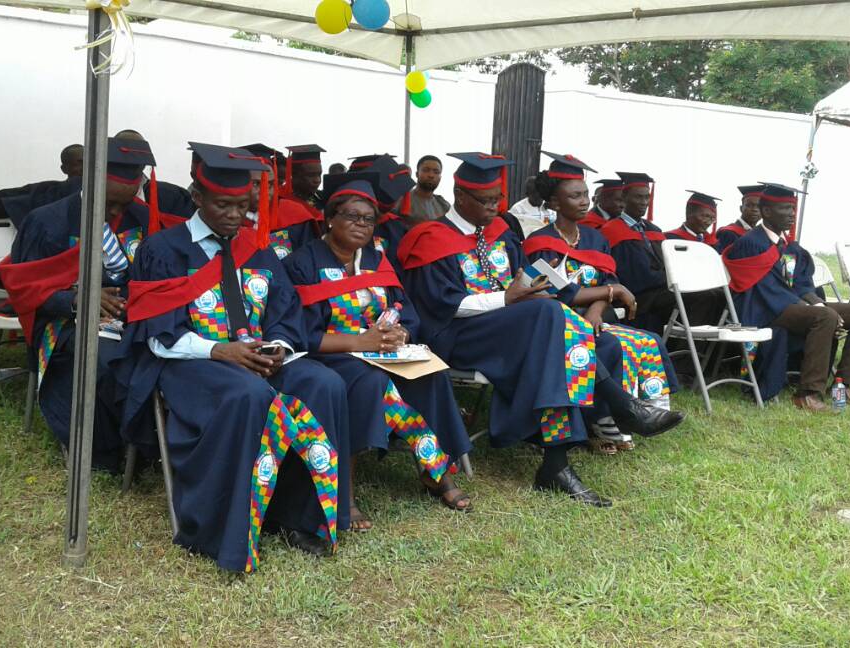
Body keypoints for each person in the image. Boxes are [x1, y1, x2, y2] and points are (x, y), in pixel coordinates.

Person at [398, 152, 684, 506]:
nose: (493, 208)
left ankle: (556, 464)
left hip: (517, 330)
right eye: (485, 201)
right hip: (459, 334)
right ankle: (621, 404)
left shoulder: (501, 232)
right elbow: (440, 306)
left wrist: (577, 292)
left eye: (496, 200)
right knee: (550, 318)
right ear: (460, 197)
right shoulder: (431, 238)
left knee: (575, 339)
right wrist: (506, 298)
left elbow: (533, 279)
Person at [118, 143, 350, 570]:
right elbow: (157, 333)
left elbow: (284, 314)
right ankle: (225, 529)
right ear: (198, 198)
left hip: (256, 359)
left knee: (323, 382)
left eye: (242, 207)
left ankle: (302, 517)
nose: (233, 216)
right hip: (190, 364)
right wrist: (220, 350)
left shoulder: (258, 251)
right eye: (223, 205)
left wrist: (276, 347)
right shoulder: (163, 251)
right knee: (247, 394)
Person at [285, 172, 473, 530]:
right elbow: (301, 334)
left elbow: (406, 309)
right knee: (368, 381)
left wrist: (401, 332)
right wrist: (360, 342)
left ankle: (437, 473)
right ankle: (347, 491)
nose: (361, 225)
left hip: (382, 351)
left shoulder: (377, 260)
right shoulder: (302, 263)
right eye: (352, 216)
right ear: (330, 217)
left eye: (368, 219)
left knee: (430, 372)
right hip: (332, 355)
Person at [0, 137, 158, 472]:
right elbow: (23, 289)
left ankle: (152, 445)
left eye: (124, 204)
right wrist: (78, 299)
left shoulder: (143, 219)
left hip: (131, 319)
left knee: (155, 353)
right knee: (108, 359)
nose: (116, 212)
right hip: (64, 323)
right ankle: (108, 449)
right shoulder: (48, 221)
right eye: (110, 203)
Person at [523, 152, 680, 455]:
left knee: (647, 341)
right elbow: (559, 293)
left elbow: (608, 283)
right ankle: (603, 423)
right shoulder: (539, 243)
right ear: (555, 203)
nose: (584, 201)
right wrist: (611, 292)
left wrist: (598, 306)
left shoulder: (595, 239)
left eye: (584, 194)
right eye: (575, 196)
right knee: (610, 345)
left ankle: (638, 415)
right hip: (560, 321)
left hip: (594, 316)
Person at [723, 183, 850, 411]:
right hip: (764, 309)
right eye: (786, 209)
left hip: (787, 306)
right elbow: (763, 289)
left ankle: (841, 388)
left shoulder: (787, 245)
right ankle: (807, 394)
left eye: (793, 209)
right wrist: (818, 310)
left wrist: (817, 302)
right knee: (824, 317)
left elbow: (797, 282)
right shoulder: (750, 243)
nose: (792, 214)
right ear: (767, 212)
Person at [600, 172, 722, 333]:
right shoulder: (612, 230)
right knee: (701, 297)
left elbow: (668, 264)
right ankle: (682, 353)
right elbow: (635, 276)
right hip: (638, 295)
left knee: (718, 295)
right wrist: (674, 278)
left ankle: (704, 351)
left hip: (661, 289)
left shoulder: (654, 230)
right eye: (638, 197)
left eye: (646, 197)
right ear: (624, 196)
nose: (644, 202)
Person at [269, 144, 326, 259]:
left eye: (319, 174)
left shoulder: (322, 199)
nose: (317, 180)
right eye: (311, 175)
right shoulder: (279, 202)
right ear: (293, 175)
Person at [715, 185, 763, 252]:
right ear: (741, 208)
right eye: (749, 205)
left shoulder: (760, 235)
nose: (755, 209)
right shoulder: (728, 233)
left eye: (759, 206)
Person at [408, 155, 451, 221]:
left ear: (440, 177)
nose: (431, 175)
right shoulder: (403, 200)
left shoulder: (444, 205)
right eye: (426, 170)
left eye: (436, 172)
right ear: (417, 174)